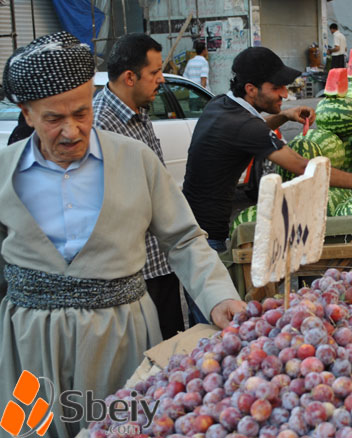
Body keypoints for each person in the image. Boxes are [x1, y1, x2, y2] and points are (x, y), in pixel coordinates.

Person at [0, 31, 245, 438]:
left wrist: (219, 296)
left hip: (121, 338)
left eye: (81, 113)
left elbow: (183, 239)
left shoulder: (136, 160)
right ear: (26, 114)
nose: (71, 131)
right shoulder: (4, 170)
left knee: (122, 429)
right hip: (31, 343)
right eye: (53, 118)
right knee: (32, 431)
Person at [183, 47, 352, 252]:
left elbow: (250, 133)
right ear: (250, 89)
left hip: (191, 226)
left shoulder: (221, 104)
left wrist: (284, 116)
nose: (285, 94)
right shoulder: (243, 125)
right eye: (276, 87)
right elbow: (303, 167)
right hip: (207, 237)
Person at [93, 33, 187, 339]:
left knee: (172, 350)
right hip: (133, 276)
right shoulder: (99, 126)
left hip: (162, 261)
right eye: (155, 72)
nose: (161, 80)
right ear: (130, 77)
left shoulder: (141, 114)